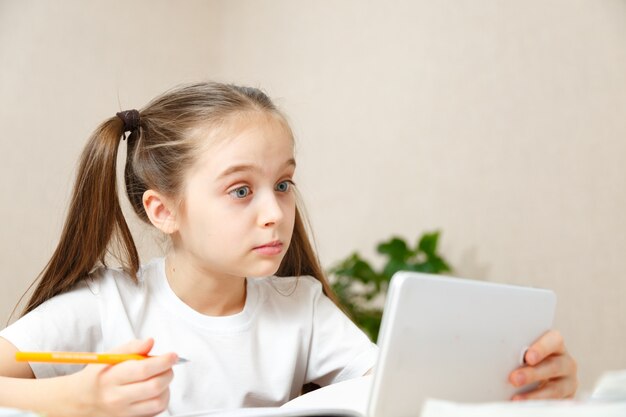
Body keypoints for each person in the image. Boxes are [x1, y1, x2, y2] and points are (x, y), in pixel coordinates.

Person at [0, 82, 577, 417]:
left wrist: (525, 388)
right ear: (164, 210)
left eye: (283, 184)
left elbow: (402, 392)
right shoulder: (107, 304)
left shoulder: (300, 306)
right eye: (241, 190)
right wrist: (74, 397)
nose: (275, 211)